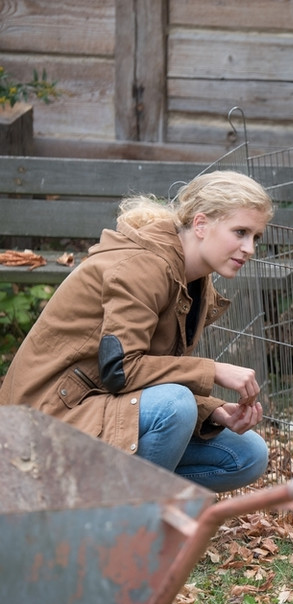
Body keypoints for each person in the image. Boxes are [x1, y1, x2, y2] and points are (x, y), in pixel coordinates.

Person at [0, 170, 275, 493]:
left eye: (255, 237)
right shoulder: (143, 267)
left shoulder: (195, 280)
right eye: (240, 232)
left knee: (247, 456)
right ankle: (121, 527)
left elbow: (149, 379)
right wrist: (212, 370)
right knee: (175, 405)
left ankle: (105, 505)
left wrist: (214, 412)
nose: (249, 248)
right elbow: (122, 370)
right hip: (40, 422)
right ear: (200, 224)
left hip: (97, 405)